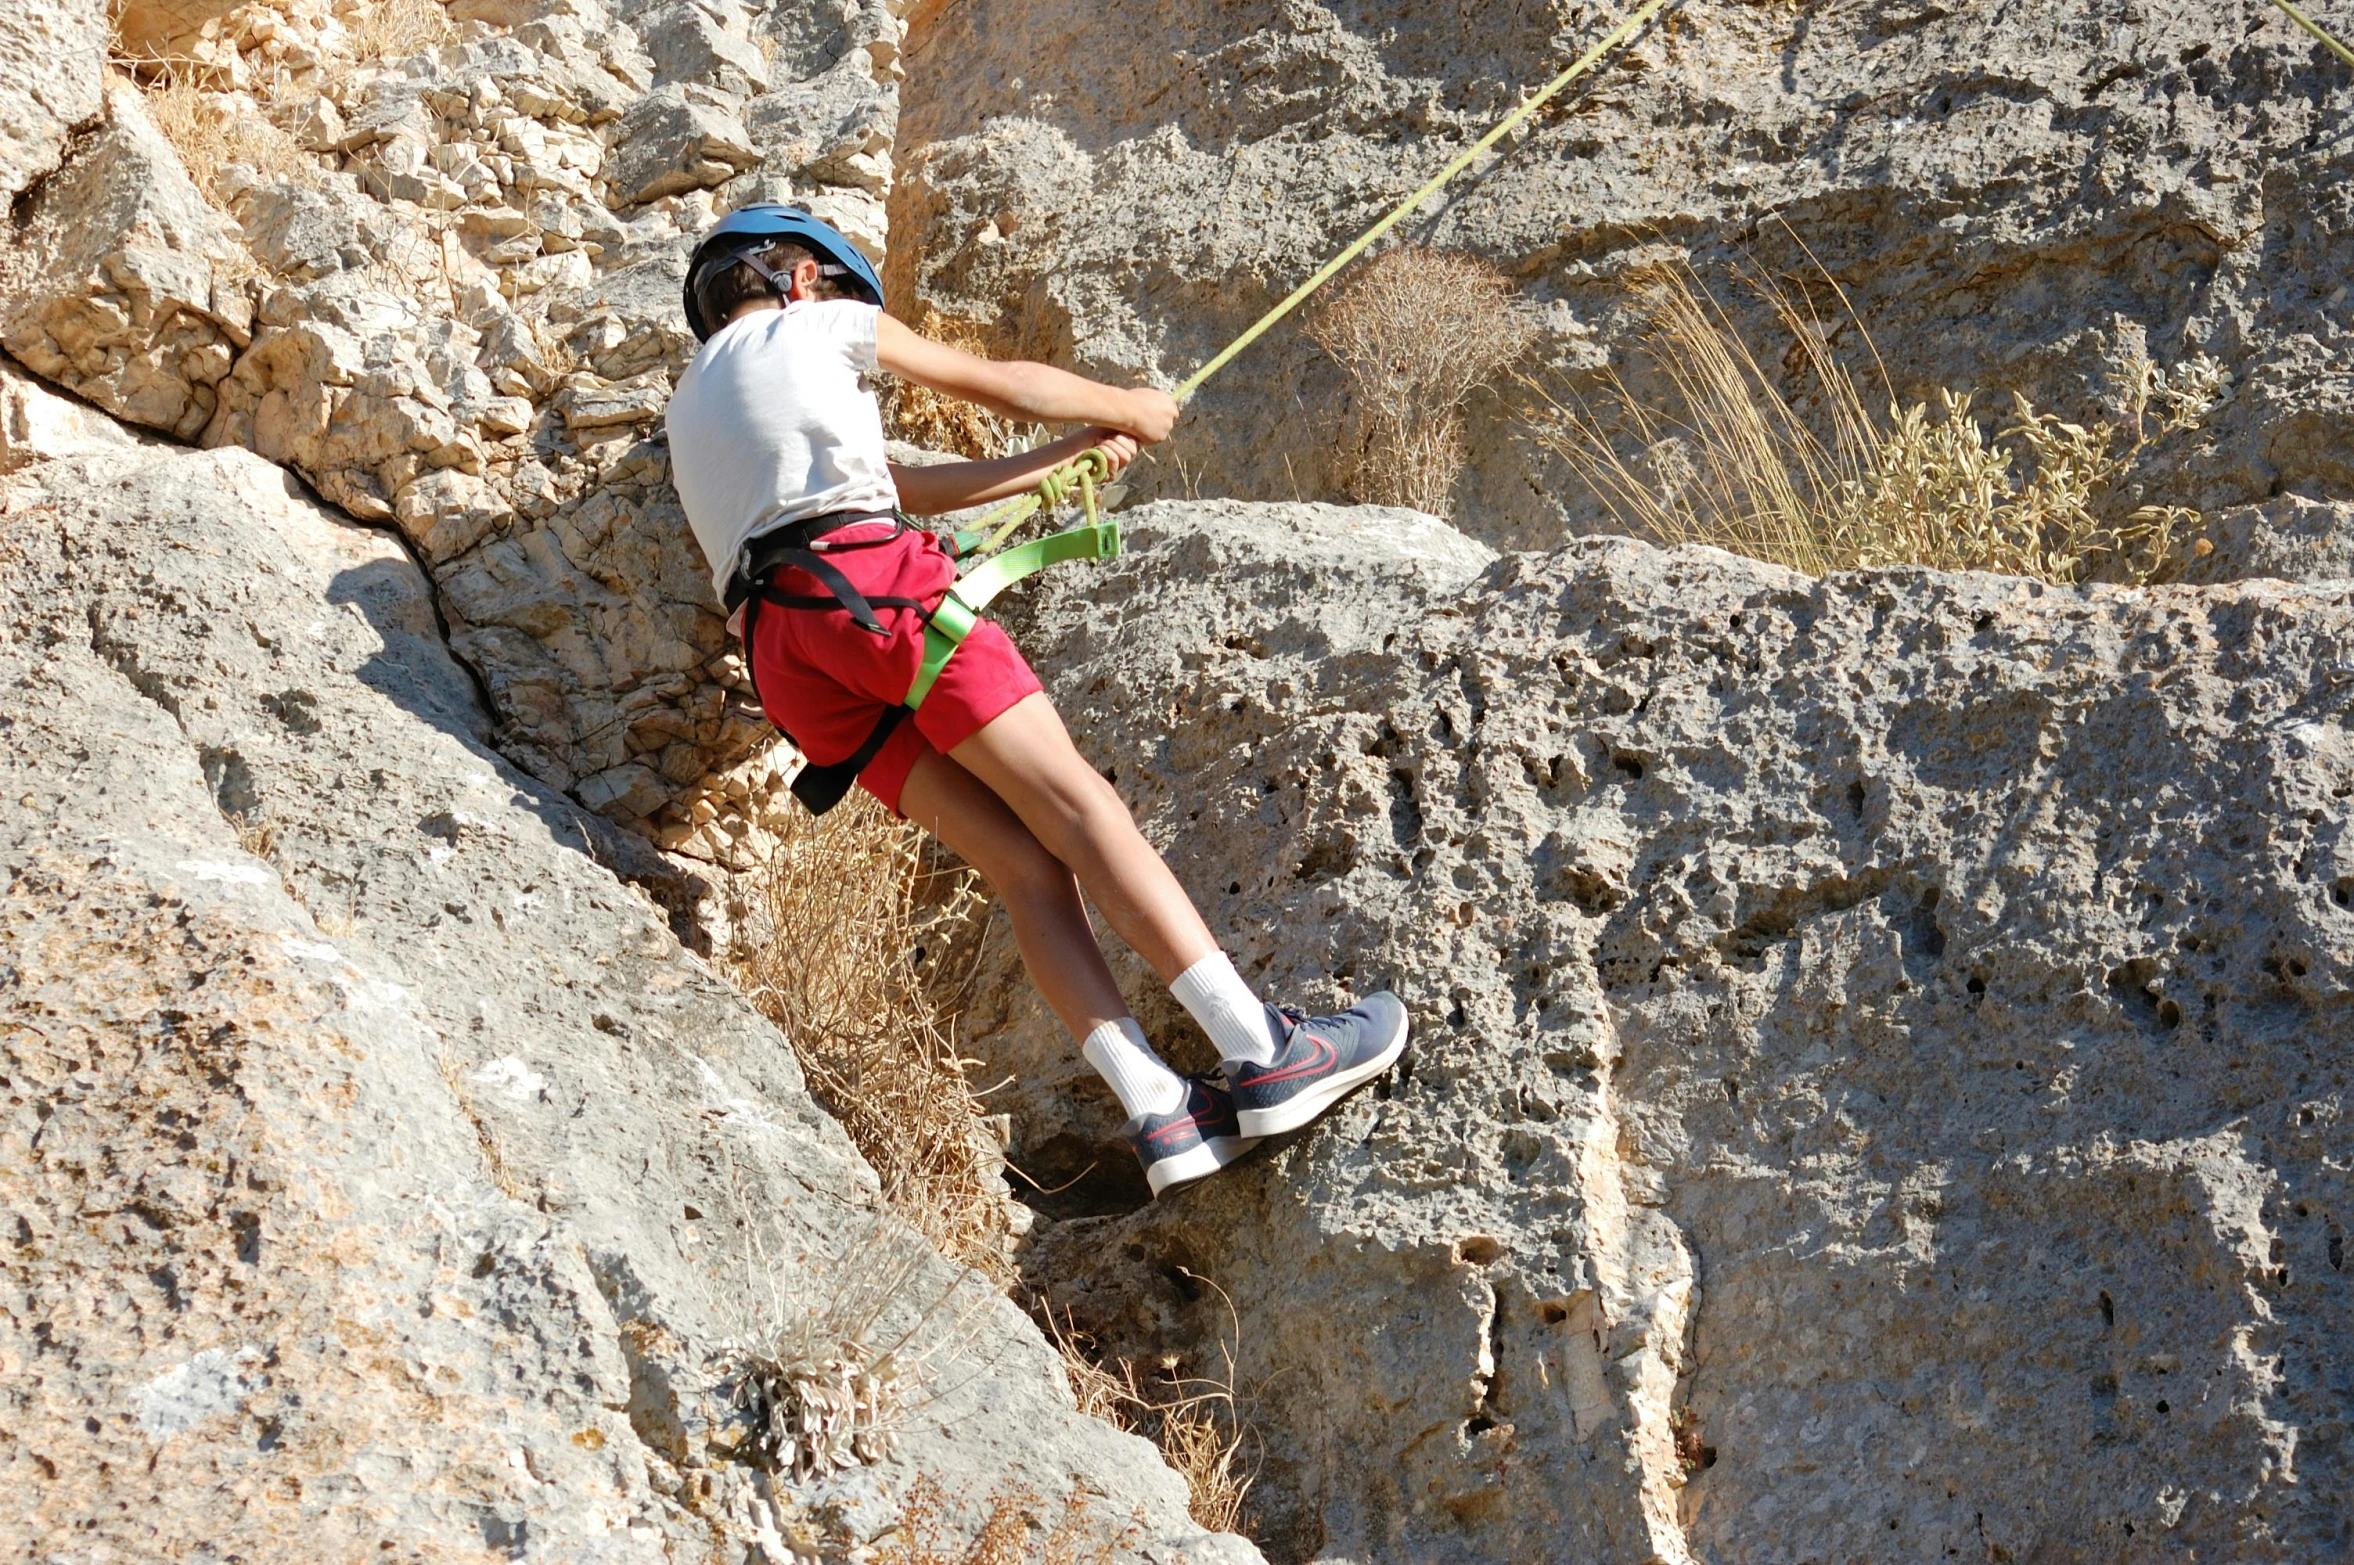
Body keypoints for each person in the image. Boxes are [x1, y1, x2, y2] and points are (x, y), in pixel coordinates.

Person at [663, 205, 1407, 1196]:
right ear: (801, 277)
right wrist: (1126, 406)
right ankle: (1261, 1048)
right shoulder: (815, 324)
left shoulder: (691, 405)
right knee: (1077, 809)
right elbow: (1001, 384)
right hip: (874, 588)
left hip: (788, 652)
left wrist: (1068, 460)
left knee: (1022, 867)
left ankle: (1159, 1108)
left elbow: (902, 485)